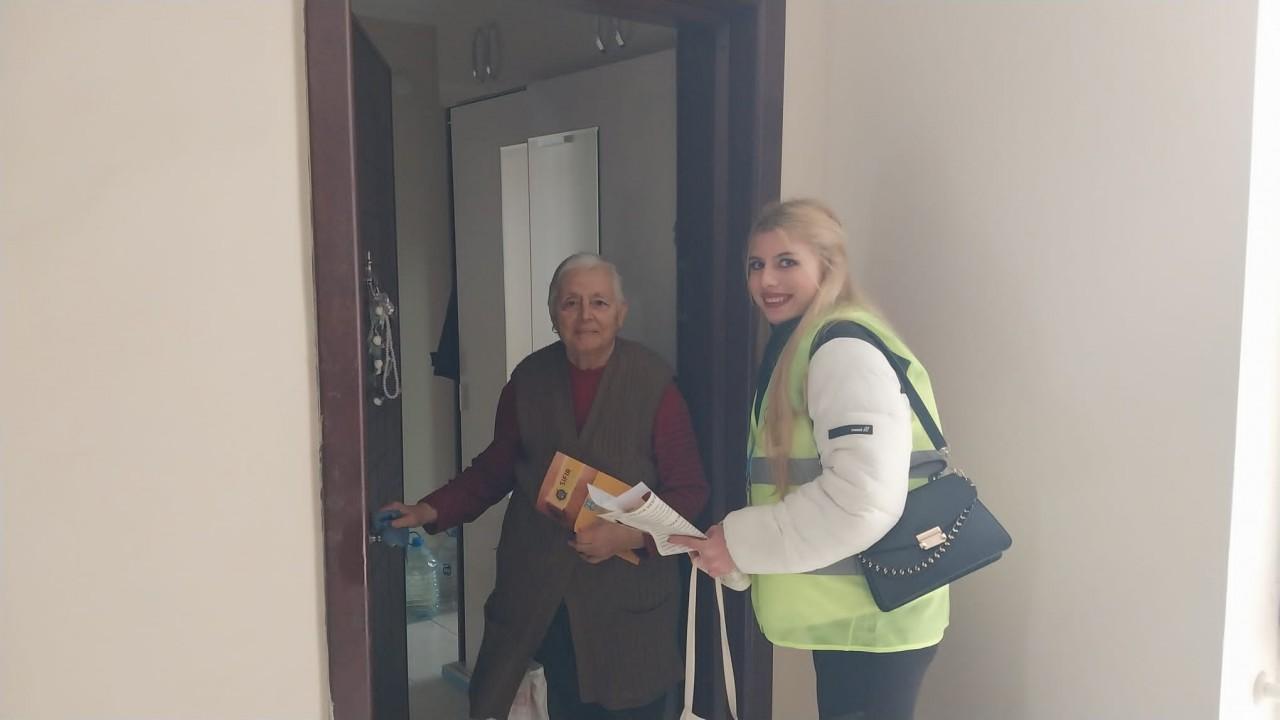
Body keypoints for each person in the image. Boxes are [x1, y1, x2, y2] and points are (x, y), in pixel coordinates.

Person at [382, 253, 709, 720]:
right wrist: (427, 510)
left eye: (599, 302)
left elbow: (690, 491)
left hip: (625, 606)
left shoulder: (654, 384)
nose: (585, 315)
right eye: (571, 303)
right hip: (537, 593)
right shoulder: (529, 379)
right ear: (553, 314)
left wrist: (628, 535)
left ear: (621, 313)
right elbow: (495, 469)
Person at [674, 200, 948, 720]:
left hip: (873, 621)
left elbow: (860, 502)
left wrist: (739, 542)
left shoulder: (842, 351)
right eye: (756, 264)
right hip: (861, 616)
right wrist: (736, 550)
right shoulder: (808, 345)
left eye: (786, 262)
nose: (766, 280)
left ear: (828, 265)